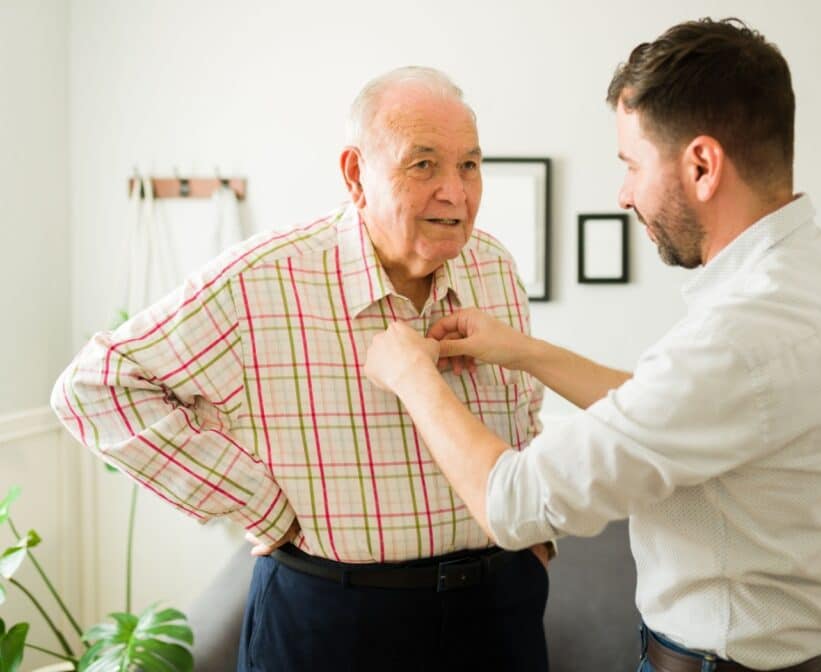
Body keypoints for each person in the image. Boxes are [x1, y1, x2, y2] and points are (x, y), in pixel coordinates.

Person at [364, 18, 821, 672]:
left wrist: (413, 376)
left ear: (701, 164)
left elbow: (514, 503)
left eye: (631, 165)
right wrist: (523, 350)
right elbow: (681, 412)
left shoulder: (738, 337)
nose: (624, 195)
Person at [51, 66, 553, 671]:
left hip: (497, 611)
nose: (456, 191)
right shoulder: (261, 280)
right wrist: (261, 503)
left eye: (469, 165)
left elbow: (524, 412)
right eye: (423, 165)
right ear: (355, 174)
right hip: (334, 622)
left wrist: (538, 544)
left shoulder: (494, 266)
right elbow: (95, 386)